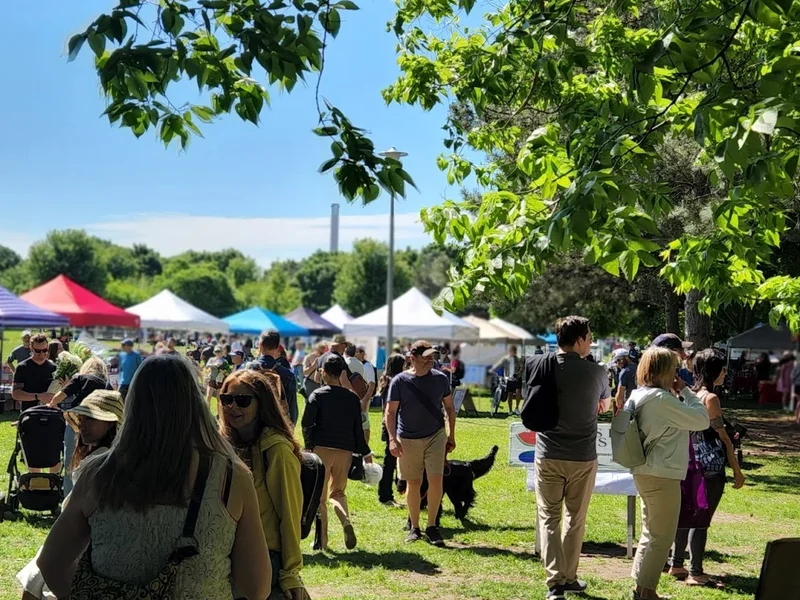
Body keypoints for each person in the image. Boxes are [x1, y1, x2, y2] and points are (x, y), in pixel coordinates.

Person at [37, 354, 272, 600]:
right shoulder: (232, 477)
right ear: (196, 404)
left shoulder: (98, 473)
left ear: (133, 404)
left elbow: (51, 563)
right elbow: (256, 587)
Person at [17, 390, 124, 600]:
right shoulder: (99, 455)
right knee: (34, 584)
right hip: (73, 532)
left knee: (37, 585)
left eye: (91, 418)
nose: (83, 424)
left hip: (83, 539)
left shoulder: (104, 461)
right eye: (82, 418)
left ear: (110, 423)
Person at [534, 316, 611, 599]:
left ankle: (555, 581)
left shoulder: (544, 366)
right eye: (589, 337)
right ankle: (569, 576)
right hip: (582, 455)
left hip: (548, 452)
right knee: (575, 519)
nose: (591, 342)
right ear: (579, 340)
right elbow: (602, 406)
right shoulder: (597, 372)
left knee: (549, 517)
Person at [219, 369, 309, 600]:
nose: (232, 407)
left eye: (242, 400)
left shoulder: (276, 449)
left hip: (266, 557)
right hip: (227, 555)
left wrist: (290, 572)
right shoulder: (224, 447)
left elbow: (290, 515)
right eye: (226, 399)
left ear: (262, 404)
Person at [628, 347, 710, 600]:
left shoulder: (638, 395)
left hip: (644, 469)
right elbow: (701, 420)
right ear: (665, 371)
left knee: (650, 532)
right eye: (675, 369)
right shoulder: (661, 399)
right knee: (662, 537)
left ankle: (641, 587)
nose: (678, 373)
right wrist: (686, 391)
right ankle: (648, 591)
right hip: (662, 473)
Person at [669, 348, 745, 587]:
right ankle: (696, 571)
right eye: (723, 369)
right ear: (715, 371)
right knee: (701, 519)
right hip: (710, 465)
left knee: (685, 514)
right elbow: (723, 438)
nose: (725, 373)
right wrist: (736, 468)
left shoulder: (687, 395)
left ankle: (676, 563)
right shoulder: (711, 399)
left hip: (688, 461)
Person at [385, 340, 456, 547]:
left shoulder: (440, 379)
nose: (429, 361)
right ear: (412, 358)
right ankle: (415, 527)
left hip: (435, 435)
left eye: (431, 357)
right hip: (407, 438)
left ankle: (432, 526)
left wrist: (451, 435)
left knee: (436, 480)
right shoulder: (399, 381)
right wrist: (392, 439)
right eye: (425, 358)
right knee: (413, 482)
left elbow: (450, 408)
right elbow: (390, 412)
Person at [302, 354, 372, 551]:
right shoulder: (352, 399)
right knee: (339, 493)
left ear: (323, 372)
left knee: (320, 499)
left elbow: (307, 423)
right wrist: (364, 452)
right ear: (342, 373)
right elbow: (357, 429)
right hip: (345, 451)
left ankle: (323, 542)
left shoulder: (317, 395)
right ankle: (345, 522)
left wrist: (308, 447)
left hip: (322, 450)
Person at [48, 356, 113, 495]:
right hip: (98, 428)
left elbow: (57, 397)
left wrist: (51, 404)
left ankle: (68, 499)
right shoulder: (107, 385)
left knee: (70, 465)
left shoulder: (80, 378)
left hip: (76, 423)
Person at [377, 354, 408, 507]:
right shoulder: (395, 382)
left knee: (393, 461)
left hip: (389, 424)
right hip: (394, 425)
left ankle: (393, 491)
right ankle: (385, 495)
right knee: (390, 462)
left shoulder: (386, 380)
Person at [253, 332, 299, 427]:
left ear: (260, 345)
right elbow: (292, 409)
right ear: (278, 347)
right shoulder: (288, 374)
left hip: (252, 425)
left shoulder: (246, 370)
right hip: (277, 425)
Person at [11, 333, 56, 412]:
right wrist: (38, 396)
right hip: (30, 413)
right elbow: (15, 394)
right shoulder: (22, 367)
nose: (42, 353)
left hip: (51, 412)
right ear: (31, 348)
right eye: (38, 351)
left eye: (45, 350)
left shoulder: (53, 367)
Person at [353, 344, 377, 444]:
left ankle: (365, 446)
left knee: (364, 424)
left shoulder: (367, 366)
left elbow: (372, 384)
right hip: (356, 398)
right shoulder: (356, 364)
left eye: (357, 351)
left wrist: (365, 400)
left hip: (364, 398)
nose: (355, 354)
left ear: (363, 353)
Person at [493, 345, 523, 415]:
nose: (514, 352)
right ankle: (510, 410)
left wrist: (517, 375)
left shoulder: (518, 359)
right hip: (508, 379)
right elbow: (498, 365)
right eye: (513, 351)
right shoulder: (505, 359)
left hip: (517, 378)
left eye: (515, 351)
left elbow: (521, 369)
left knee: (518, 392)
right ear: (510, 351)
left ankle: (517, 408)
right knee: (510, 394)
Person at [613, 348, 637, 412]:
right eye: (616, 361)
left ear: (626, 357)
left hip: (629, 406)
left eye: (618, 360)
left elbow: (620, 396)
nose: (617, 363)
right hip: (642, 404)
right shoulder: (639, 368)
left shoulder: (624, 372)